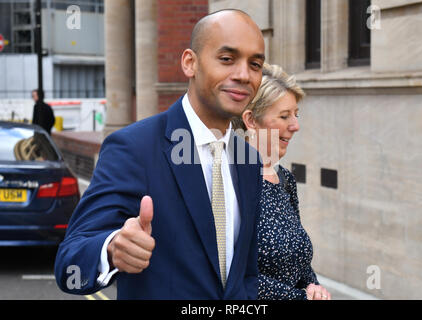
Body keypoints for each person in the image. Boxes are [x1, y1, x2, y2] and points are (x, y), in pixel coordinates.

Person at [54, 9, 266, 299]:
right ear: (190, 63)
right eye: (227, 59)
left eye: (255, 64)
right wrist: (113, 248)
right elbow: (69, 264)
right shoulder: (134, 148)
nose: (243, 75)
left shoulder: (249, 160)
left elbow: (246, 273)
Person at [232, 63, 331, 300]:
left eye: (296, 115)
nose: (295, 126)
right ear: (251, 120)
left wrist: (313, 286)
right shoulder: (229, 180)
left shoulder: (285, 179)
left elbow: (298, 259)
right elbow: (232, 274)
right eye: (284, 116)